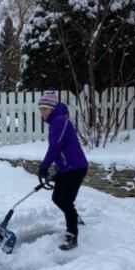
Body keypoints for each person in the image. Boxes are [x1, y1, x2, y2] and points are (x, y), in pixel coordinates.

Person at [37, 89, 89, 251]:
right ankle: (75, 217)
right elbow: (59, 149)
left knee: (66, 201)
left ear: (52, 108)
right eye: (40, 109)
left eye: (45, 109)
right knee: (57, 198)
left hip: (76, 167)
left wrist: (44, 166)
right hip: (66, 168)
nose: (42, 112)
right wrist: (55, 169)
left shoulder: (60, 121)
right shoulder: (55, 121)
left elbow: (55, 147)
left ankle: (72, 236)